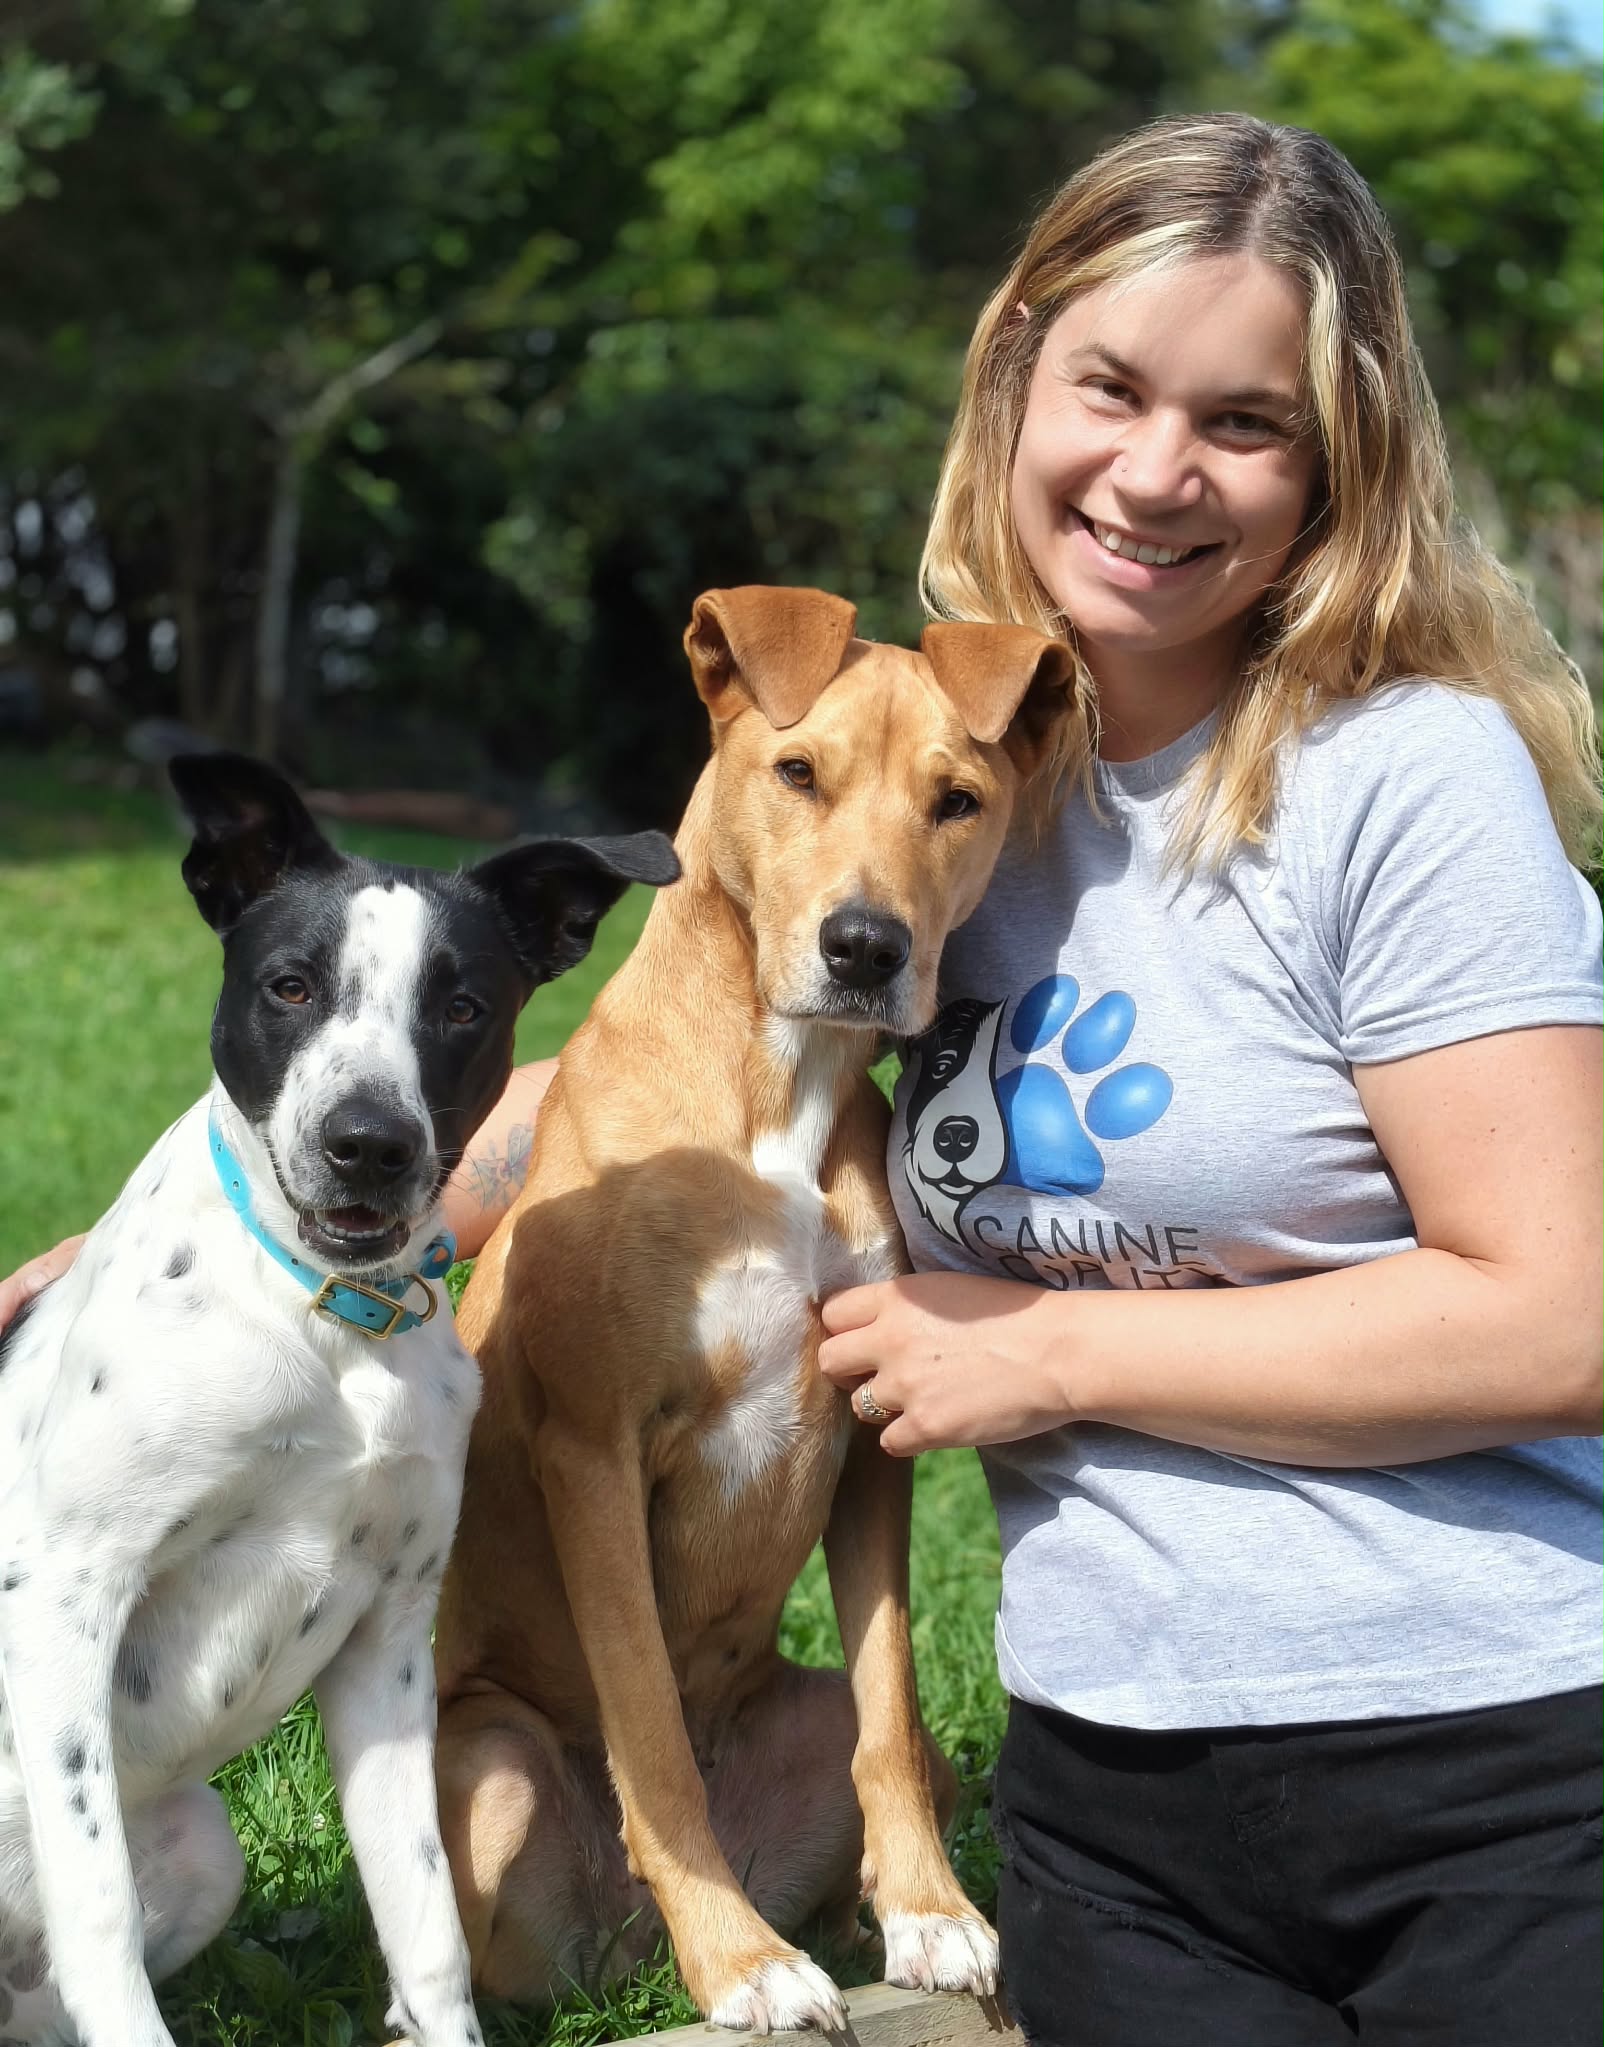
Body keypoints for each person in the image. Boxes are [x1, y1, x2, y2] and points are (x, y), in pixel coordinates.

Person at [5, 112, 1601, 2047]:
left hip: (1479, 1749)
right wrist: (189, 1235)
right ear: (1017, 375)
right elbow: (624, 1103)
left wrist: (1051, 1353)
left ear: (1339, 462)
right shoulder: (935, 790)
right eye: (1111, 387)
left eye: (1248, 422)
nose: (1160, 471)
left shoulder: (1387, 780)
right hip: (1121, 1803)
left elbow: (1564, 1314)